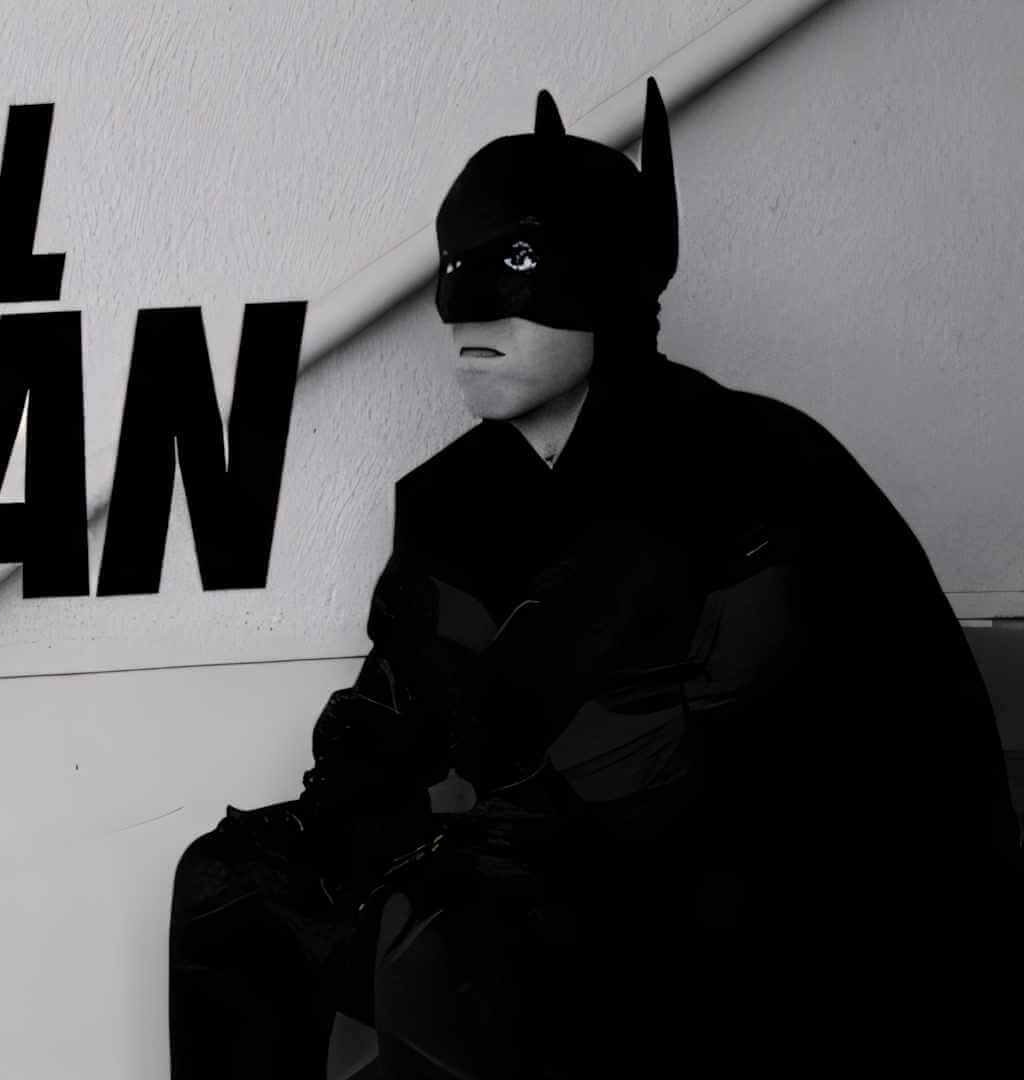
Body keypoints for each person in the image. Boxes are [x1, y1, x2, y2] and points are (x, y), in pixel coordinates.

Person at [167, 80, 1022, 1079]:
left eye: (519, 266)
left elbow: (698, 754)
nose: (468, 308)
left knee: (448, 944)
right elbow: (399, 703)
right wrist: (333, 825)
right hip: (565, 876)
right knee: (230, 888)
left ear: (615, 283)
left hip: (794, 915)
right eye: (456, 267)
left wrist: (444, 859)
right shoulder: (455, 499)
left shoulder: (759, 468)